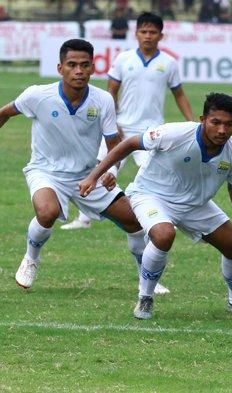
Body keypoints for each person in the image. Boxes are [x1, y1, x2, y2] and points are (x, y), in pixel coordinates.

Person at [79, 93, 232, 320]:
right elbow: (128, 144)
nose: (222, 130)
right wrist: (94, 176)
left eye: (229, 124)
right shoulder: (174, 133)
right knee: (164, 234)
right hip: (150, 195)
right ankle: (145, 298)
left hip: (195, 204)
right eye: (216, 122)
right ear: (202, 119)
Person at [0, 39, 147, 290]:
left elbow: (115, 145)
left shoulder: (103, 101)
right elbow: (4, 113)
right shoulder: (38, 95)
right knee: (47, 212)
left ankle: (147, 278)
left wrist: (111, 170)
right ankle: (31, 259)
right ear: (60, 68)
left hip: (89, 176)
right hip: (46, 172)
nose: (78, 70)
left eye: (84, 65)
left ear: (93, 68)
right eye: (72, 65)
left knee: (134, 221)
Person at [62, 12, 193, 232]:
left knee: (155, 175)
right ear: (136, 34)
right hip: (120, 128)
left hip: (151, 131)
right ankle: (83, 218)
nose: (148, 36)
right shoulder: (124, 59)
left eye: (152, 32)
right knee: (98, 167)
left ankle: (160, 216)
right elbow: (111, 91)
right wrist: (112, 121)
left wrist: (192, 122)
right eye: (143, 31)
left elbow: (179, 94)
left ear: (161, 35)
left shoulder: (169, 63)